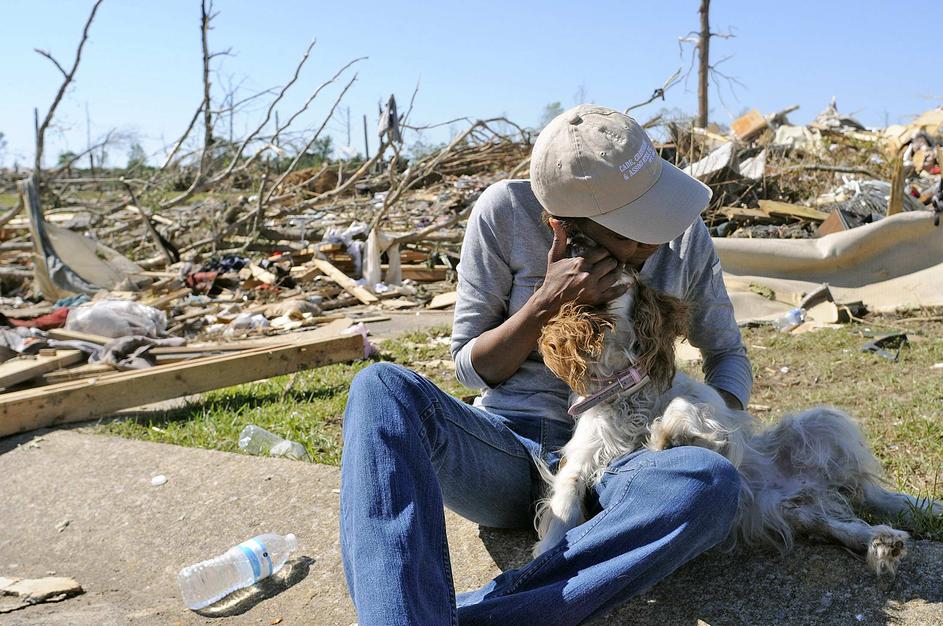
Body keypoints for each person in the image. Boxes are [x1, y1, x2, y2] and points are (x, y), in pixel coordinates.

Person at [340, 104, 753, 625]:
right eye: (635, 229)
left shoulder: (683, 236)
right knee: (380, 388)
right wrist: (542, 305)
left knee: (710, 482)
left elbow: (727, 355)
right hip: (507, 450)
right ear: (567, 227)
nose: (658, 238)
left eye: (658, 212)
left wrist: (716, 421)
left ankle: (459, 617)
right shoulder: (503, 213)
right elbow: (469, 367)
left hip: (628, 451)